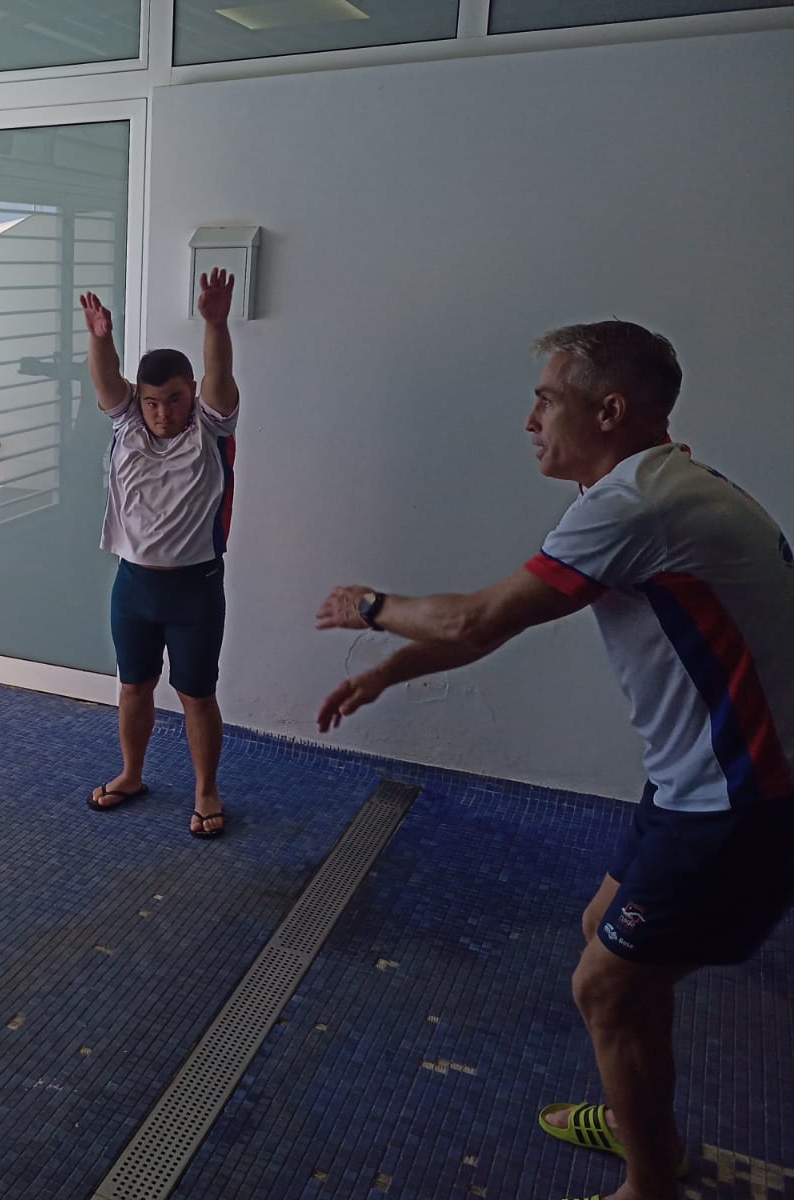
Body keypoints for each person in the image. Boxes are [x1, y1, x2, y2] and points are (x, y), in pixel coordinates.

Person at [312, 320, 794, 1200]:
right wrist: (386, 672)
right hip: (698, 781)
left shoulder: (634, 507)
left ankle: (652, 1181)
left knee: (606, 986)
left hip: (741, 800)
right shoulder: (652, 488)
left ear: (609, 410)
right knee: (602, 930)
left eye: (545, 398)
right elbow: (494, 623)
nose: (528, 419)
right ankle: (637, 1108)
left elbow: (473, 618)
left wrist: (371, 606)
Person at [80, 269, 240, 838]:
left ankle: (205, 790)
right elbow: (107, 383)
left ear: (190, 393)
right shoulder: (126, 426)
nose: (163, 413)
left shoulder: (211, 428)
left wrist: (215, 322)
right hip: (134, 587)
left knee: (196, 695)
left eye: (173, 399)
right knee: (133, 687)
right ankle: (131, 774)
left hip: (194, 589)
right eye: (152, 402)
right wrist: (101, 338)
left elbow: (220, 375)